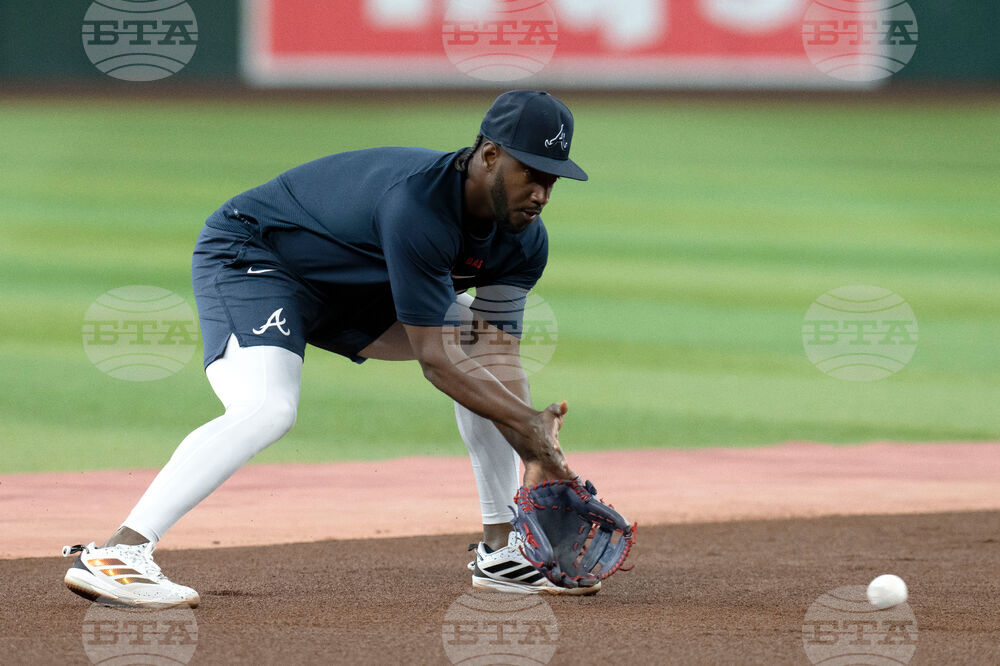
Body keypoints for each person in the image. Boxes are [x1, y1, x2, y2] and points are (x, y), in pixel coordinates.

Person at [63, 90, 596, 608]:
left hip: (356, 286)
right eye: (532, 172)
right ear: (489, 155)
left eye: (553, 179)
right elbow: (437, 359)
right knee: (268, 408)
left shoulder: (527, 240)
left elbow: (497, 356)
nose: (542, 193)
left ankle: (501, 550)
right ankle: (119, 552)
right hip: (257, 257)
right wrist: (526, 428)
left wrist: (537, 441)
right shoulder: (419, 204)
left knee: (483, 365)